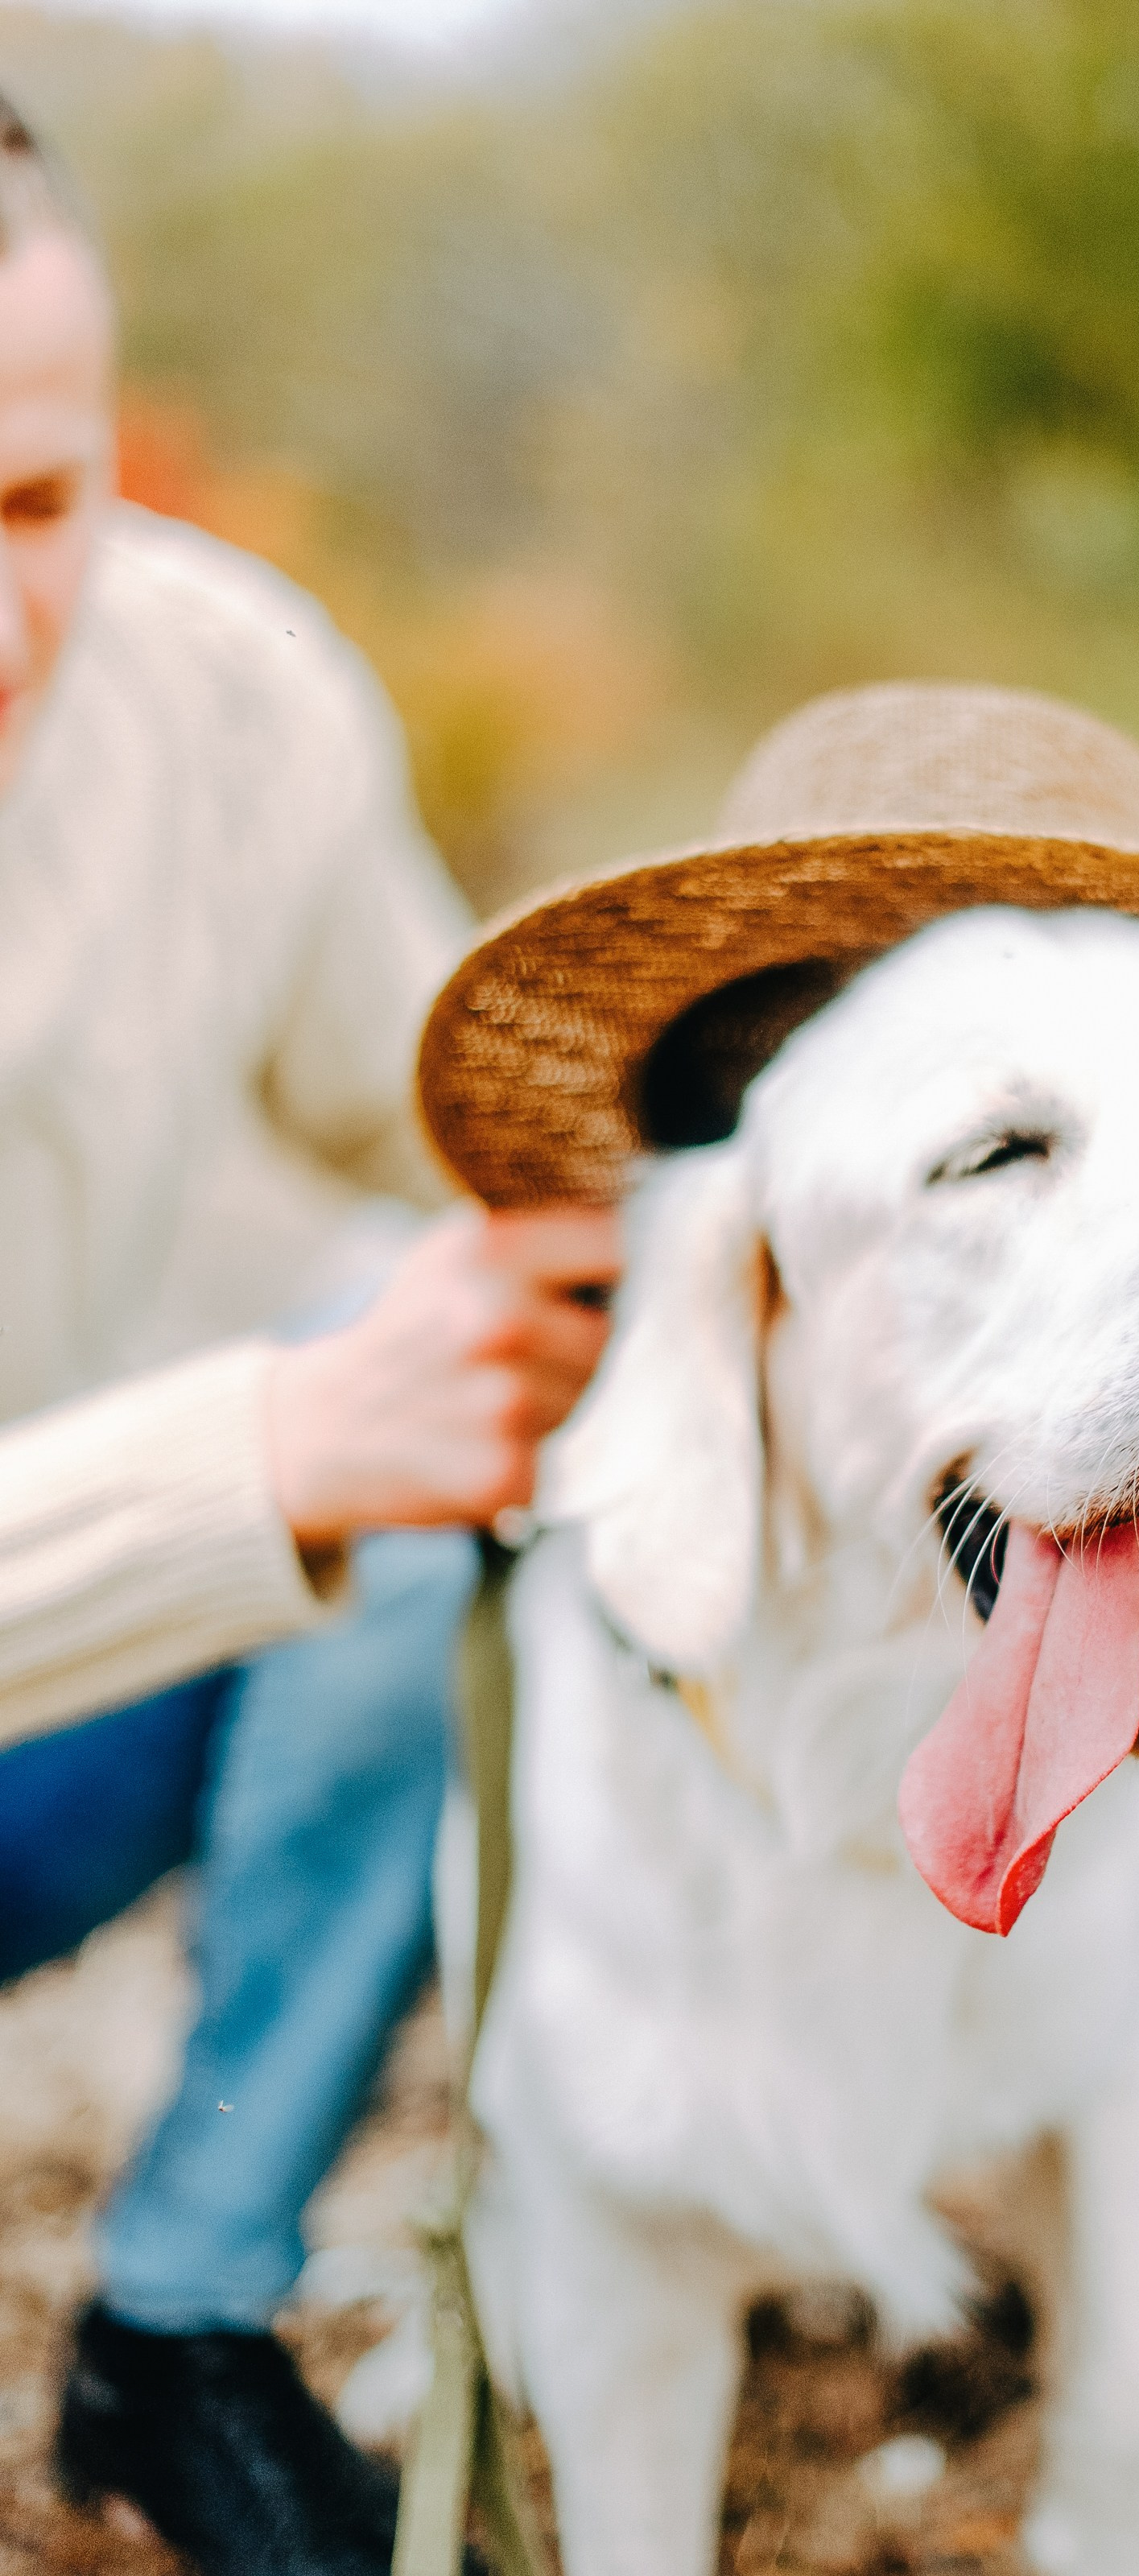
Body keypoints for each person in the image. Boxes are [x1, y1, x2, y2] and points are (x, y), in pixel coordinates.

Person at [0, 96, 618, 2576]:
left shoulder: (224, 696)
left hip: (48, 1712)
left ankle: (186, 2320)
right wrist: (263, 1457)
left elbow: (483, 1135)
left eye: (31, 508)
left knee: (438, 1350)